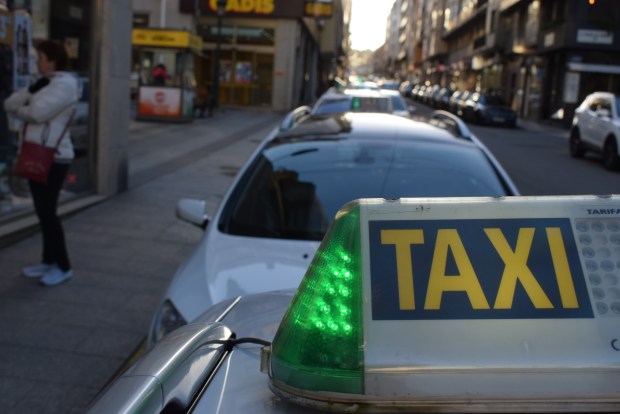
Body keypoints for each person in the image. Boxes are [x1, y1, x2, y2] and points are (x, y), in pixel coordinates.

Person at [3, 39, 79, 286]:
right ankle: (48, 260)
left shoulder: (66, 84)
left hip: (54, 156)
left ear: (52, 60)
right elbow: (8, 104)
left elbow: (36, 113)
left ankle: (63, 266)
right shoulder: (44, 83)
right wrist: (30, 92)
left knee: (48, 213)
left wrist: (21, 111)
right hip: (36, 153)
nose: (36, 62)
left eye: (40, 58)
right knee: (42, 211)